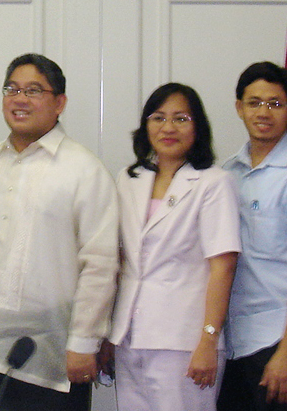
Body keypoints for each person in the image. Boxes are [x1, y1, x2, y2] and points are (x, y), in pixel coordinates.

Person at [0, 53, 118, 411]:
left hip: (56, 355)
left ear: (59, 103)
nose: (20, 99)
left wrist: (84, 342)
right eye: (12, 89)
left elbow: (100, 263)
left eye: (34, 90)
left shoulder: (84, 169)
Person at [107, 83, 240, 410]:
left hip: (183, 341)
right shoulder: (129, 178)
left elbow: (223, 267)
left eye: (181, 119)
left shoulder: (214, 182)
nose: (168, 128)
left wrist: (208, 339)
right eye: (158, 118)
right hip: (129, 335)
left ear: (198, 127)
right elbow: (119, 260)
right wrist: (108, 333)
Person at [218, 61, 287, 411]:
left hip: (281, 337)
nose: (263, 112)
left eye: (275, 103)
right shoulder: (228, 173)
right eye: (254, 102)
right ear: (239, 107)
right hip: (237, 341)